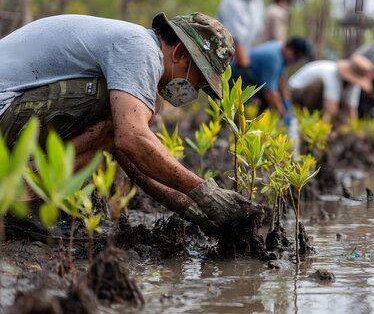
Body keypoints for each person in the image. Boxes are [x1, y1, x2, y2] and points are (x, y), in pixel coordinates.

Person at [0, 12, 260, 235]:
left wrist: (192, 209)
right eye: (199, 80)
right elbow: (131, 138)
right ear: (179, 52)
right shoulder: (141, 49)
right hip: (6, 108)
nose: (195, 89)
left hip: (11, 110)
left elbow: (131, 156)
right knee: (121, 117)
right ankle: (21, 198)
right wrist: (206, 193)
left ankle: (25, 193)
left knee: (131, 114)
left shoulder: (133, 47)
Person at [232, 37, 311, 117]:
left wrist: (286, 103)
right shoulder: (274, 59)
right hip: (237, 77)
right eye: (296, 57)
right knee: (266, 99)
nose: (295, 62)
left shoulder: (279, 48)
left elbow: (280, 80)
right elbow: (269, 92)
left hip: (248, 78)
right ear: (290, 50)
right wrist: (284, 115)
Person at [288, 56, 373, 124]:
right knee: (318, 84)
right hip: (295, 93)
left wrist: (353, 130)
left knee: (343, 116)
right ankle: (310, 118)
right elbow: (331, 109)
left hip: (320, 101)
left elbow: (351, 110)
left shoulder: (353, 85)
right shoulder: (332, 72)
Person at [216, 0, 264, 68]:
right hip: (229, 59)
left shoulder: (255, 0)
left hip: (248, 53)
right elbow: (234, 39)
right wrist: (245, 67)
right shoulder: (231, 2)